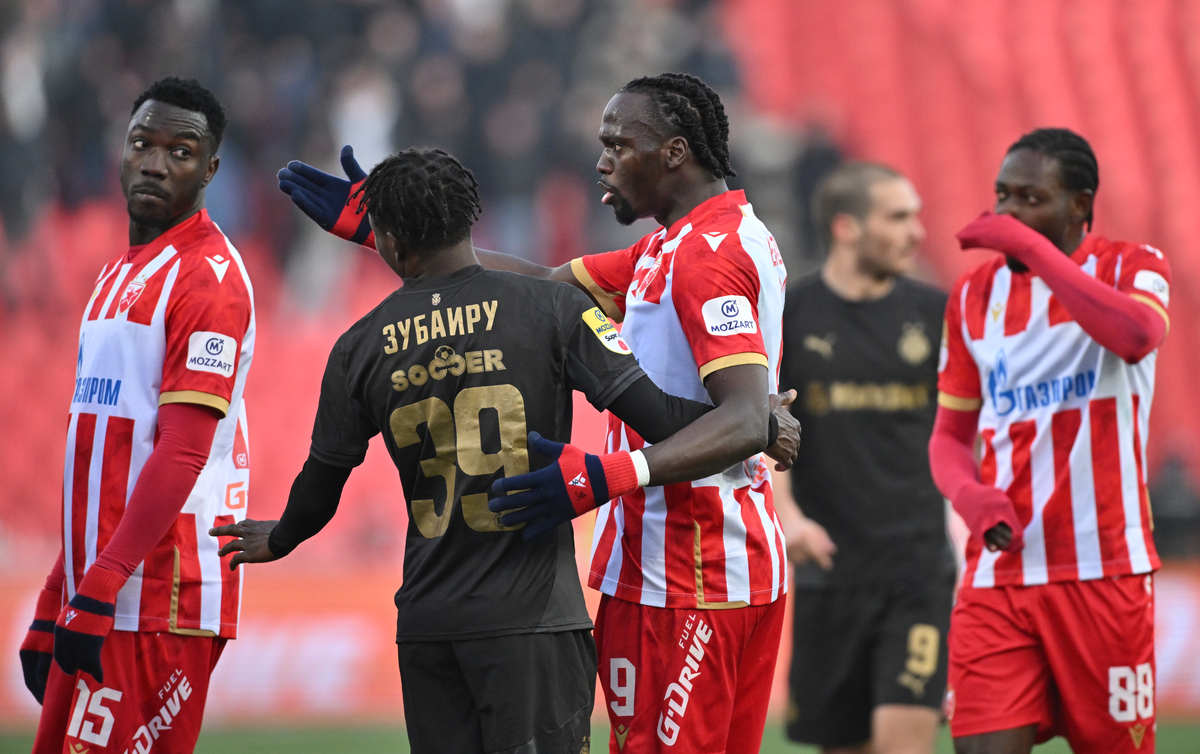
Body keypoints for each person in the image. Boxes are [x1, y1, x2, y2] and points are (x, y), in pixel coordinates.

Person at [277, 71, 792, 754]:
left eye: (618, 144)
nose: (602, 160)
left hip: (686, 569)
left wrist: (605, 475)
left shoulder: (704, 256)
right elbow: (543, 287)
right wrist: (390, 233)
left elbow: (743, 420)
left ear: (674, 152)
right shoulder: (682, 243)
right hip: (727, 560)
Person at [18, 77, 254, 754]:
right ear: (120, 151)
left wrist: (98, 586)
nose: (155, 162)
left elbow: (180, 451)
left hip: (158, 596)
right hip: (103, 589)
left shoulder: (208, 279)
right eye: (142, 143)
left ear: (211, 170)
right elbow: (99, 459)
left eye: (181, 151)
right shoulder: (117, 274)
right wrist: (55, 595)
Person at [930, 128, 1169, 753]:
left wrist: (1033, 253)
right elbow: (949, 438)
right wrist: (969, 496)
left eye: (1030, 198)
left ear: (1081, 205)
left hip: (1103, 569)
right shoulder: (973, 297)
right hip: (1000, 572)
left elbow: (1136, 336)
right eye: (1001, 197)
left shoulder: (1133, 266)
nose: (1009, 213)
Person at [774, 162, 954, 754]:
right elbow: (765, 439)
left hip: (918, 571)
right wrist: (790, 519)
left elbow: (968, 433)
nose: (917, 232)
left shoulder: (937, 315)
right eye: (898, 217)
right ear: (847, 227)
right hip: (830, 575)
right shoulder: (788, 317)